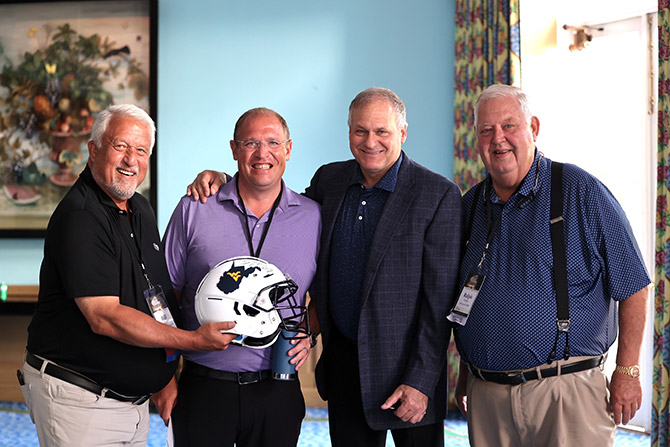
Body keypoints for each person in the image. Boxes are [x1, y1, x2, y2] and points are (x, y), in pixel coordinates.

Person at [187, 88, 462, 447]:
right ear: (349, 132)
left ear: (403, 133)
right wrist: (226, 179)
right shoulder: (329, 181)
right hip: (344, 367)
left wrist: (421, 381)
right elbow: (281, 207)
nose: (370, 141)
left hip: (406, 373)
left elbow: (439, 303)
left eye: (382, 131)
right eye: (360, 131)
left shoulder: (437, 195)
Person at [19, 104, 237, 447]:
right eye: (120, 146)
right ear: (94, 150)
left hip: (130, 403)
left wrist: (164, 375)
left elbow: (154, 297)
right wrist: (193, 340)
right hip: (81, 400)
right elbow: (105, 317)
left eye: (141, 150)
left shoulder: (140, 208)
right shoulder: (81, 217)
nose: (130, 160)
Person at [453, 84, 651, 447]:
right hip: (487, 397)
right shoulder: (469, 206)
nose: (498, 139)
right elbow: (466, 298)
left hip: (566, 394)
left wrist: (627, 371)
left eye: (509, 126)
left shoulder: (579, 190)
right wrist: (467, 374)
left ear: (533, 128)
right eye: (486, 130)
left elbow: (633, 284)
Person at [160, 107, 321, 447]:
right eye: (251, 143)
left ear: (289, 149)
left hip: (278, 390)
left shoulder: (313, 216)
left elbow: (330, 293)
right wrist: (163, 377)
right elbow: (163, 300)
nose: (263, 154)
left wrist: (311, 332)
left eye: (273, 143)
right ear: (234, 150)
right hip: (203, 388)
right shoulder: (195, 207)